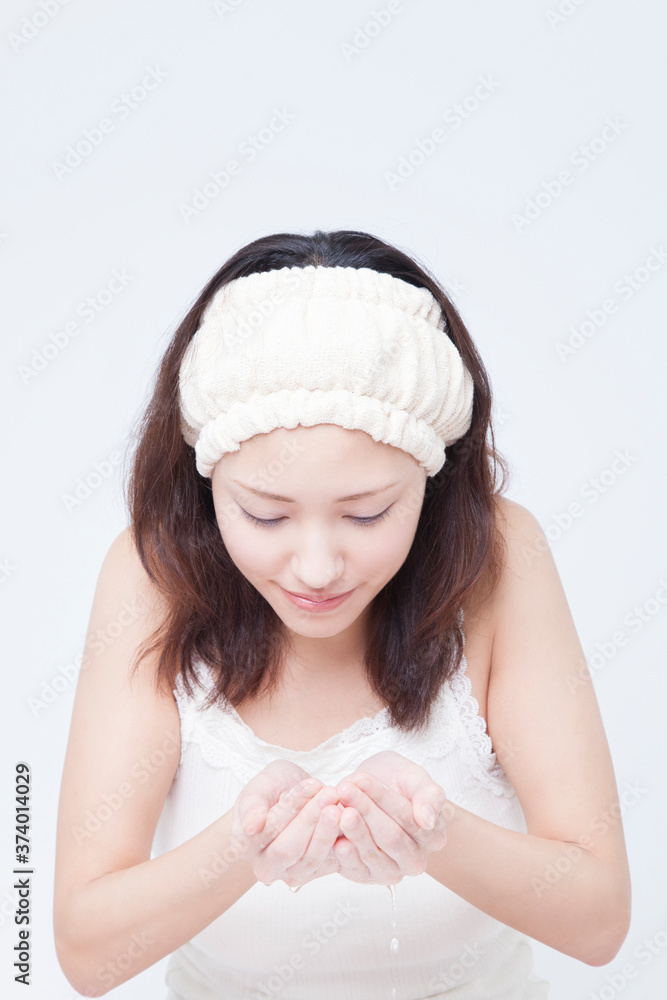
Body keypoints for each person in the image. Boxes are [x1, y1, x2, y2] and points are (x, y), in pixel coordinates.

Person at [53, 229, 631, 999]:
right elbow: (86, 953)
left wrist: (438, 837)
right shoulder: (151, 574)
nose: (317, 568)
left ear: (431, 484)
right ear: (206, 487)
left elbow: (597, 920)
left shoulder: (496, 558)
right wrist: (239, 850)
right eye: (265, 515)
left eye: (366, 514)